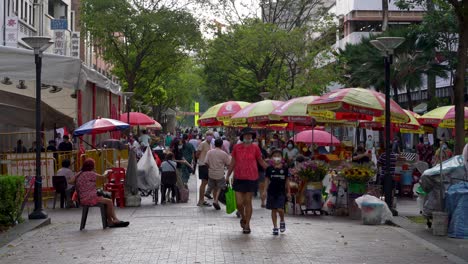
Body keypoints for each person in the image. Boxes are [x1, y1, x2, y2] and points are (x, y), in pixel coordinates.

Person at [226, 127, 268, 234]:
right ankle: (243, 217)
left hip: (251, 177)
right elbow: (233, 162)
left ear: (252, 137)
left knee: (248, 201)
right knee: (239, 203)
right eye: (246, 135)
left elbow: (260, 161)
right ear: (242, 136)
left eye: (250, 135)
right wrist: (227, 175)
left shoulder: (255, 148)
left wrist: (271, 169)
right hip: (238, 177)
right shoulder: (237, 147)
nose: (248, 136)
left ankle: (247, 225)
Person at [70, 158, 129, 228]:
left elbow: (70, 181)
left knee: (106, 200)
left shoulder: (79, 174)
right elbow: (103, 177)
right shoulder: (90, 174)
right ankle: (115, 219)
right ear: (92, 166)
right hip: (90, 198)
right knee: (109, 201)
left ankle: (110, 221)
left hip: (82, 198)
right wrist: (107, 173)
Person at [263, 150, 290, 235]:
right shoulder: (269, 168)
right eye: (274, 156)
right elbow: (267, 180)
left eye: (278, 156)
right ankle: (275, 227)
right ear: (271, 158)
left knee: (280, 209)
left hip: (281, 191)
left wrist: (288, 192)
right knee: (273, 209)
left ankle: (282, 220)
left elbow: (287, 181)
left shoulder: (285, 168)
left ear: (281, 157)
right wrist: (264, 191)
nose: (276, 157)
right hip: (271, 191)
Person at [205, 138, 231, 210]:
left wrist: (210, 167)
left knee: (213, 186)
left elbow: (206, 162)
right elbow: (228, 164)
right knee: (220, 187)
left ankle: (209, 193)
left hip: (211, 173)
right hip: (219, 173)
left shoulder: (209, 152)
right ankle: (216, 200)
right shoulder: (223, 153)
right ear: (221, 145)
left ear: (214, 144)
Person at [196, 131, 213, 207]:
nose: (209, 136)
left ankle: (202, 200)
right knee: (204, 183)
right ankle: (201, 200)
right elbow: (197, 153)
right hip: (203, 165)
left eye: (211, 135)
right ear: (205, 136)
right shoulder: (203, 144)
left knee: (206, 183)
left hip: (208, 166)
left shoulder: (211, 144)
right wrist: (200, 159)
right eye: (208, 135)